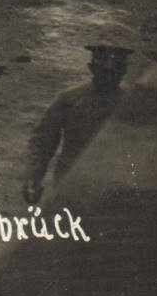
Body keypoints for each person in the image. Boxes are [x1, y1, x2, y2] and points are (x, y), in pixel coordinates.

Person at [23, 31, 137, 204]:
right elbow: (43, 141)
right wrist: (33, 178)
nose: (111, 76)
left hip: (114, 190)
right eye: (105, 70)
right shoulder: (69, 99)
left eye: (117, 70)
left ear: (124, 71)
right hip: (70, 185)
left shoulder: (131, 105)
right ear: (92, 68)